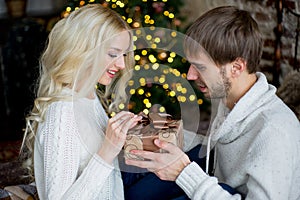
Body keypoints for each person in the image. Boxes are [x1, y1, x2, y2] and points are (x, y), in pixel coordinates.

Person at [125, 6, 300, 200]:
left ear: (236, 67)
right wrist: (166, 131)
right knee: (134, 190)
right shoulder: (232, 99)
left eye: (200, 67)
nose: (190, 76)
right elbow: (219, 149)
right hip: (213, 182)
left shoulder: (273, 132)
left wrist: (184, 173)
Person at [21, 4, 142, 199]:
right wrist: (108, 150)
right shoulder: (62, 113)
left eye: (124, 55)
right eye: (113, 54)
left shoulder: (88, 95)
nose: (121, 65)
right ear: (84, 49)